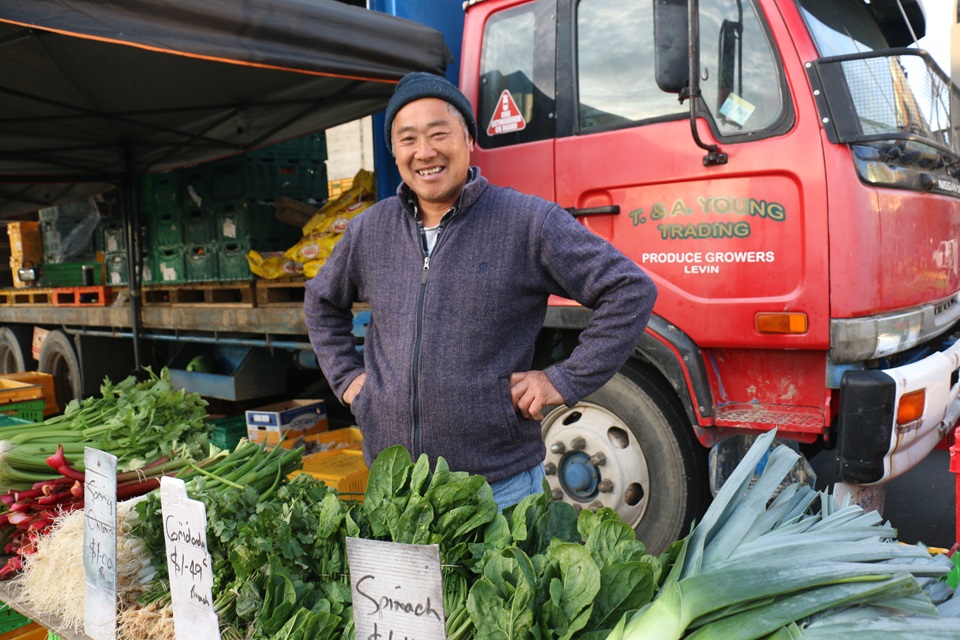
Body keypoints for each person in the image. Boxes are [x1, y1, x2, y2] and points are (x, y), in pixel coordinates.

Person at [304, 71, 657, 511]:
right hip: (394, 489)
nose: (425, 152)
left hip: (497, 491)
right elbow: (321, 302)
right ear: (393, 151)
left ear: (468, 139)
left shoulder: (527, 223)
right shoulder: (370, 230)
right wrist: (348, 378)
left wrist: (561, 380)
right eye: (408, 139)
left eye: (439, 134)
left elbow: (628, 290)